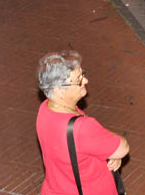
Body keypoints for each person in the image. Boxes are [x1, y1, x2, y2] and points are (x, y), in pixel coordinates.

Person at [35, 51, 130, 195]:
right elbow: (123, 147)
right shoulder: (81, 127)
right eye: (78, 80)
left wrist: (108, 150)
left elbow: (78, 148)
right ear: (59, 91)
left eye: (83, 74)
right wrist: (111, 149)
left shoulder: (46, 108)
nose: (85, 81)